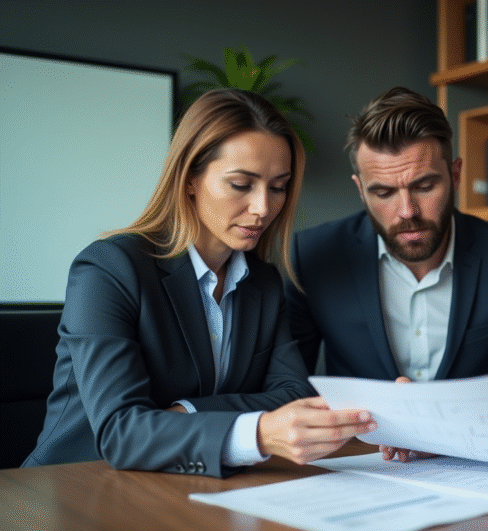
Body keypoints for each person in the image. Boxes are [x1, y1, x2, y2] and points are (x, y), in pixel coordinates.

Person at [22, 89, 376, 477]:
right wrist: (254, 432)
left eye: (278, 187)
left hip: (184, 487)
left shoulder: (263, 283)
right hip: (74, 486)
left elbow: (291, 394)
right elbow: (121, 432)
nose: (263, 208)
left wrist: (186, 412)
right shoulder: (109, 269)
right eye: (241, 184)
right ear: (190, 178)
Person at [285, 87, 488, 459]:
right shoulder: (313, 256)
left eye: (424, 186)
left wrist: (451, 431)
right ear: (360, 190)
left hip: (471, 463)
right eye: (383, 192)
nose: (407, 211)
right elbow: (287, 386)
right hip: (352, 463)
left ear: (456, 174)